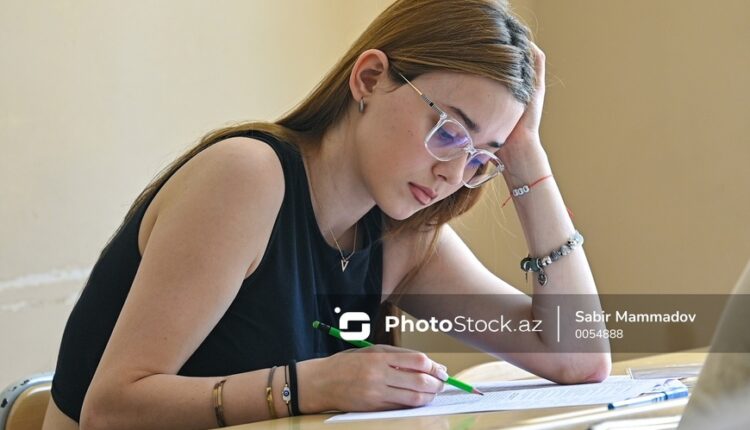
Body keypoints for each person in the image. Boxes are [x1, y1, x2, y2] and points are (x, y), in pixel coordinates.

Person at [42, 0, 610, 428]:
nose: (453, 175)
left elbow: (577, 358)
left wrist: (525, 155)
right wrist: (305, 386)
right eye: (449, 131)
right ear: (369, 79)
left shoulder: (403, 237)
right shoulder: (247, 177)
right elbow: (110, 409)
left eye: (481, 158)